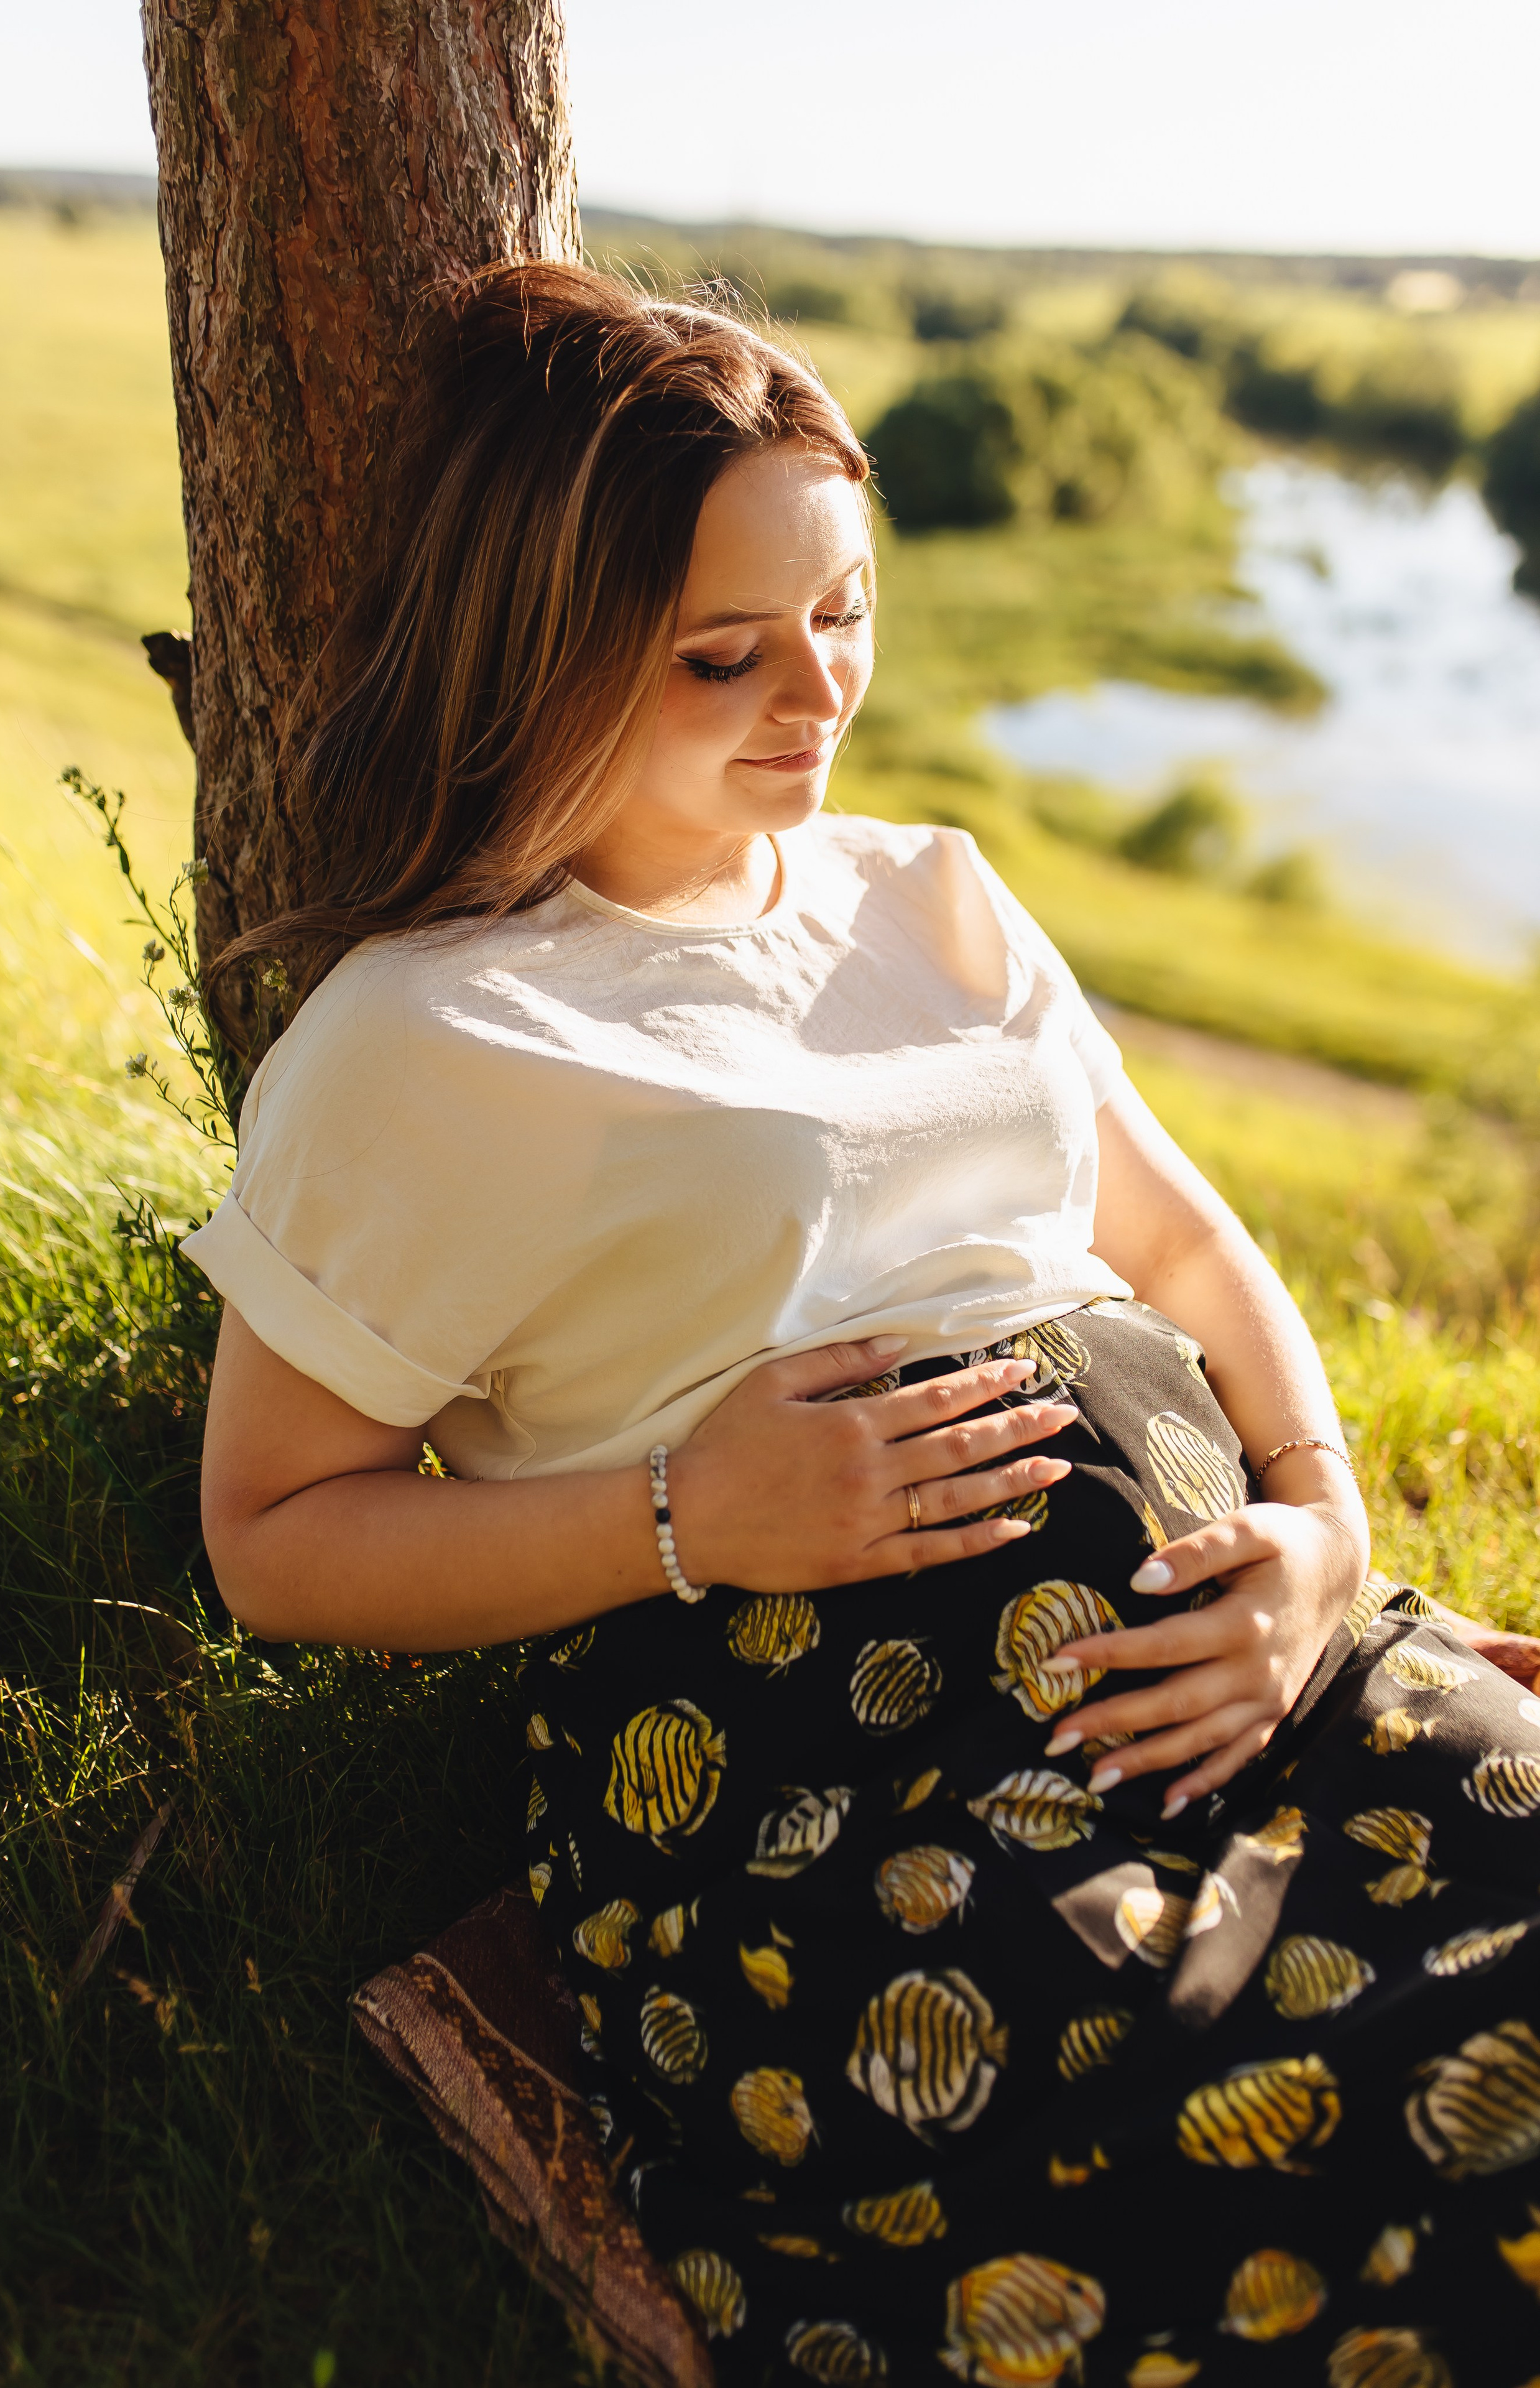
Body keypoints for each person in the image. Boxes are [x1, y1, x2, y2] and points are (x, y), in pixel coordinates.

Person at [190, 264, 1540, 2387]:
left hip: (1243, 1663)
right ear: (546, 657)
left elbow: (1184, 1248)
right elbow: (272, 1532)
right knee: (1392, 2133)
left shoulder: (930, 892)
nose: (814, 697)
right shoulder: (428, 1036)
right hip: (854, 1810)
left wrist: (1326, 1532)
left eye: (846, 614)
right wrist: (681, 1511)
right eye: (724, 654)